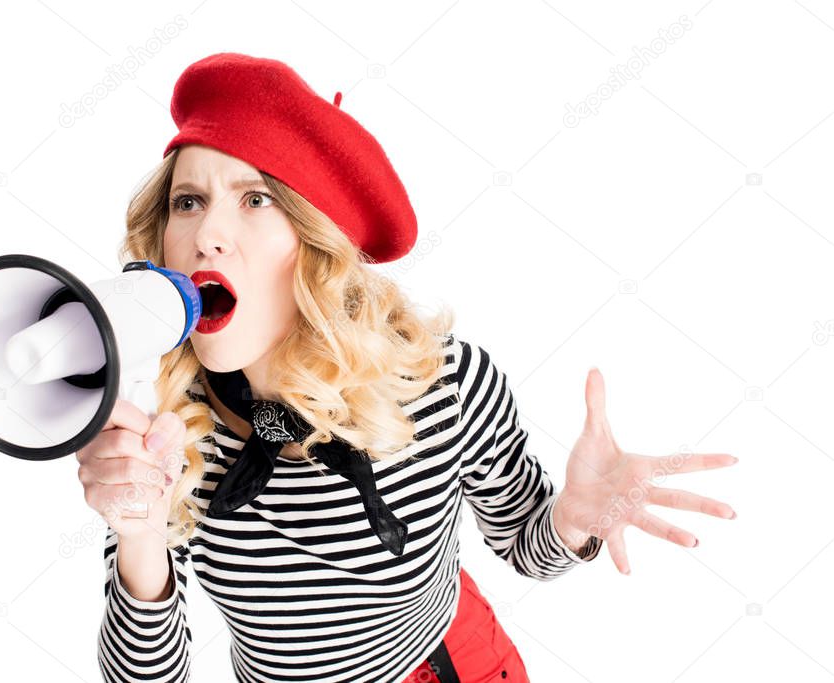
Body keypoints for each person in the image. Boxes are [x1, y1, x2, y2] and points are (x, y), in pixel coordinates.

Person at [77, 52, 739, 683]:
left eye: (254, 199)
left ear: (315, 244)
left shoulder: (444, 383)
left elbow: (523, 548)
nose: (205, 235)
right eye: (187, 201)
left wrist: (571, 517)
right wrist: (138, 534)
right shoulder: (163, 428)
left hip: (454, 663)